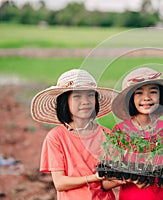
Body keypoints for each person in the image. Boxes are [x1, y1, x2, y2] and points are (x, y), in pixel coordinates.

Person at [31, 69, 125, 200]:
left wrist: (124, 178)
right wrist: (94, 177)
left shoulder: (107, 135)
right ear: (65, 102)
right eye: (77, 96)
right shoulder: (56, 137)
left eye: (90, 95)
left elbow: (104, 184)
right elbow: (60, 183)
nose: (85, 101)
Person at [110, 67, 163, 200]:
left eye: (153, 92)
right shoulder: (120, 131)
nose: (147, 98)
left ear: (161, 97)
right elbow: (107, 180)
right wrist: (130, 178)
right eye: (139, 93)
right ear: (130, 99)